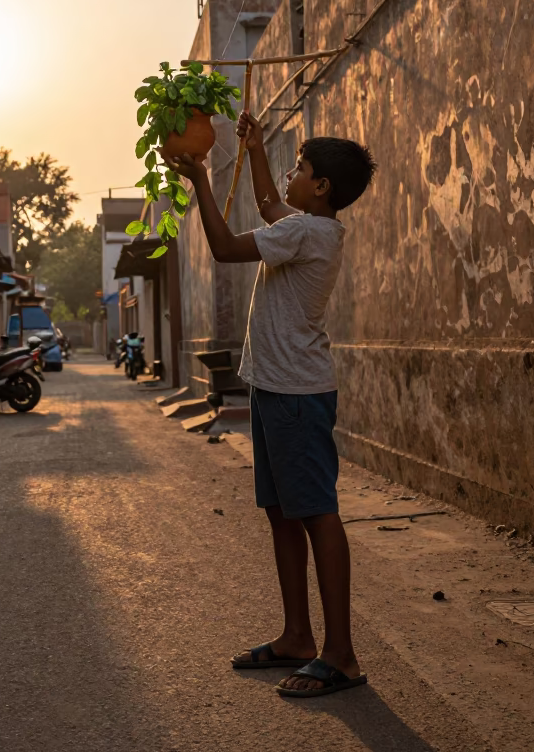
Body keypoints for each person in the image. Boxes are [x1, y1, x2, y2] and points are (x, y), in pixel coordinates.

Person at [168, 113, 376, 699]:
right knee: (283, 514)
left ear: (322, 188)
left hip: (296, 395)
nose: (290, 173)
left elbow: (226, 247)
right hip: (277, 388)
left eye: (300, 168)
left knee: (316, 514)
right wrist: (255, 149)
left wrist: (201, 183)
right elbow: (265, 205)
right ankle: (296, 639)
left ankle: (341, 656)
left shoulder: (307, 232)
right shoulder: (312, 227)